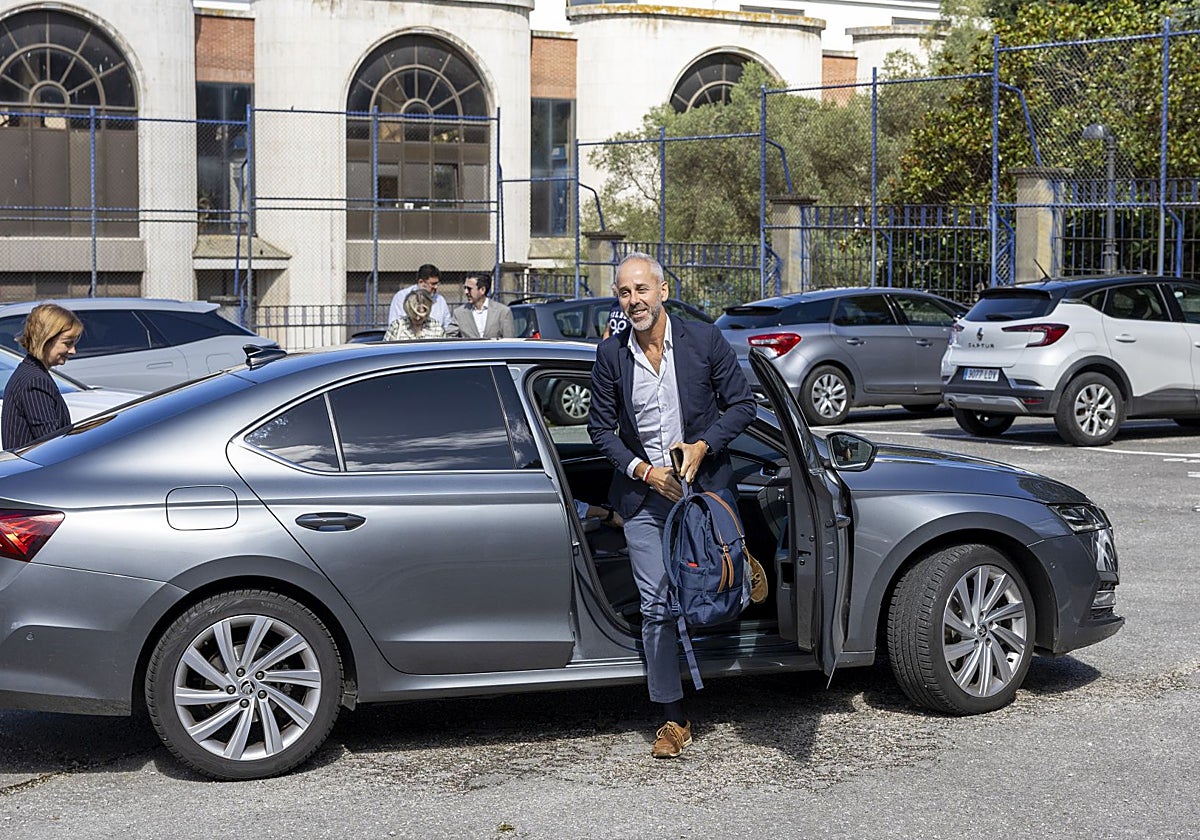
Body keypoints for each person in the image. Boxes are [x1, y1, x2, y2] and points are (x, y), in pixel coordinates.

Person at [587, 252, 757, 759]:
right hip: (644, 499)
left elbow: (743, 405)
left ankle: (741, 565)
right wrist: (645, 472)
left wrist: (703, 445)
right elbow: (600, 429)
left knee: (716, 592)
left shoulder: (704, 341)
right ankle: (672, 717)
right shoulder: (611, 355)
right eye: (624, 292)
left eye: (642, 289)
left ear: (662, 291)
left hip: (702, 492)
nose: (634, 300)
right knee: (657, 606)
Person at [1, 303, 83, 449]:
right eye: (67, 343)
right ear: (46, 340)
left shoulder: (31, 372)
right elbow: (52, 445)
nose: (72, 351)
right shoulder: (35, 381)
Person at [388, 264, 452, 331]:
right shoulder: (401, 297)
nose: (436, 287)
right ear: (421, 282)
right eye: (433, 284)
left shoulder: (440, 300)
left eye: (437, 284)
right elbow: (394, 326)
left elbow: (447, 326)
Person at [452, 274, 516, 339]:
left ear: (482, 290)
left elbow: (509, 341)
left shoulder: (503, 312)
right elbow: (450, 338)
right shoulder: (459, 313)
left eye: (469, 289)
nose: (466, 292)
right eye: (465, 288)